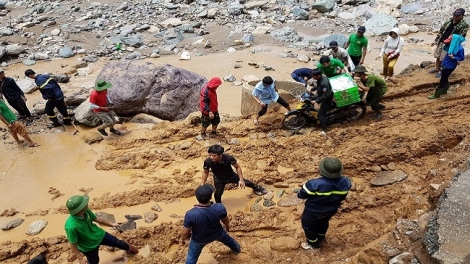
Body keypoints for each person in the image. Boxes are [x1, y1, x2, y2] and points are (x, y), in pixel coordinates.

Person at [64, 195, 139, 264]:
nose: (87, 203)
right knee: (94, 261)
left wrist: (112, 224)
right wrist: (80, 259)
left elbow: (97, 219)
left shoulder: (86, 211)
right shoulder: (71, 227)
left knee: (119, 243)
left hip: (99, 235)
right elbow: (73, 243)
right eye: (85, 203)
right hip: (89, 247)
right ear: (80, 209)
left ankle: (135, 252)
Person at [297, 157, 351, 250]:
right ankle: (321, 237)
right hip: (331, 210)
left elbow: (301, 195)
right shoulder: (346, 182)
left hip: (312, 212)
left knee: (308, 227)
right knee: (324, 222)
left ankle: (313, 244)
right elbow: (343, 196)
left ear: (321, 171)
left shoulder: (313, 184)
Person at [181, 184, 241, 264]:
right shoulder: (219, 207)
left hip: (199, 239)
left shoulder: (190, 214)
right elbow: (225, 220)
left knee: (192, 257)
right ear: (210, 197)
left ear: (197, 198)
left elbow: (185, 232)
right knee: (228, 240)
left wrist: (183, 238)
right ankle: (237, 249)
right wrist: (227, 227)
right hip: (218, 233)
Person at [201, 144, 267, 203]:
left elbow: (237, 167)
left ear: (220, 155)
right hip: (219, 179)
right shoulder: (208, 162)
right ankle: (218, 205)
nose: (211, 157)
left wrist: (241, 180)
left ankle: (256, 187)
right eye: (210, 155)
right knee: (218, 193)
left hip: (231, 175)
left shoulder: (229, 158)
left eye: (214, 156)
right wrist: (203, 183)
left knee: (246, 183)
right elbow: (205, 172)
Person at [430, 8, 469, 77]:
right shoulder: (449, 21)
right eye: (454, 15)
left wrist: (452, 39)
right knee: (438, 56)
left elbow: (462, 37)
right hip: (442, 41)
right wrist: (436, 40)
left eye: (457, 16)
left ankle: (441, 71)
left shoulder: (464, 25)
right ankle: (437, 68)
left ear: (462, 16)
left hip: (450, 45)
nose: (455, 17)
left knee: (443, 58)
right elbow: (441, 31)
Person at [428, 34, 465, 99]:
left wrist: (454, 57)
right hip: (445, 64)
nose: (449, 42)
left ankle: (437, 94)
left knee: (442, 79)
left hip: (450, 66)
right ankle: (445, 89)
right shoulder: (452, 46)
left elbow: (461, 58)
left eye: (450, 40)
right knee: (445, 77)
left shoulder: (460, 49)